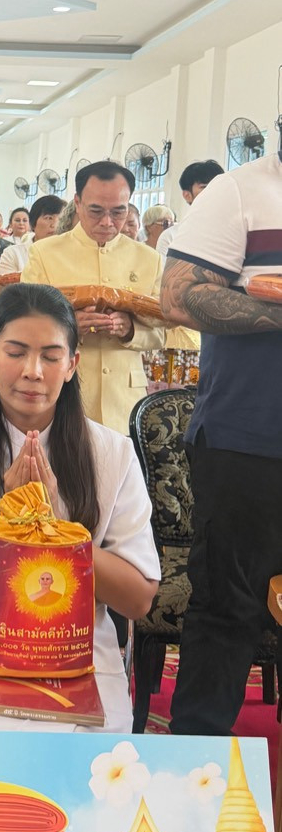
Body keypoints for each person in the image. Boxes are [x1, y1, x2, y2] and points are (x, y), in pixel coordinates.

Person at [0, 283, 159, 730]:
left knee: (87, 748)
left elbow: (137, 597)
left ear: (73, 363)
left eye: (51, 356)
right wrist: (6, 524)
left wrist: (53, 529)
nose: (33, 372)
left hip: (73, 647)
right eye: (15, 352)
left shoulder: (111, 453)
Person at [161, 145, 282, 736]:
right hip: (250, 439)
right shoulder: (239, 191)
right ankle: (195, 766)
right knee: (229, 605)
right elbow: (179, 295)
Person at [22, 161, 164, 433]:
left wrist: (130, 330)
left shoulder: (149, 259)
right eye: (96, 210)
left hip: (125, 400)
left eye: (118, 212)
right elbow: (23, 325)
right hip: (63, 394)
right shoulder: (45, 253)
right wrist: (69, 326)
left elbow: (161, 333)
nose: (107, 222)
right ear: (77, 203)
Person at [155, 160, 225, 255]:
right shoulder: (171, 237)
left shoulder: (234, 233)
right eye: (204, 187)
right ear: (187, 195)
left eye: (217, 186)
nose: (213, 191)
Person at [0, 195, 63, 280]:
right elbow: (5, 288)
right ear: (33, 223)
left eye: (61, 219)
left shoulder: (69, 255)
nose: (55, 225)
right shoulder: (13, 254)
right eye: (49, 218)